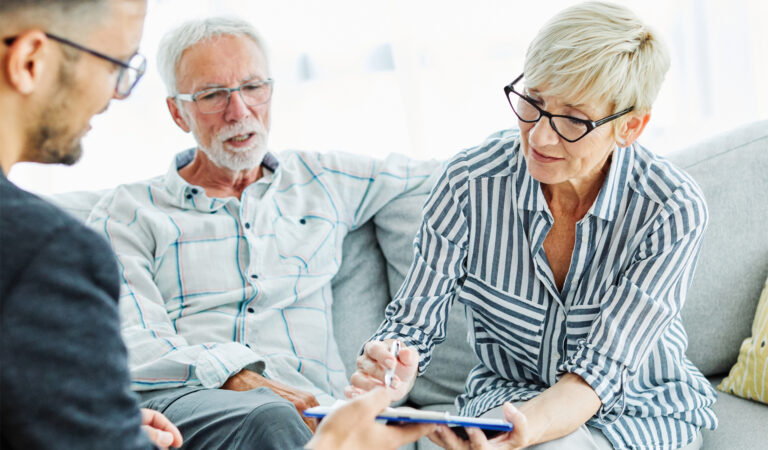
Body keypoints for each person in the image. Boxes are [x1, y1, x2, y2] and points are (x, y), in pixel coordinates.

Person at [350, 2, 718, 449]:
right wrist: (395, 364)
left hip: (639, 408)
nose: (540, 137)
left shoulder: (670, 208)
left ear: (631, 127)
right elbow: (412, 324)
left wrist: (522, 432)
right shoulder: (469, 184)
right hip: (509, 394)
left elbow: (597, 376)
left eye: (572, 120)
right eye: (534, 102)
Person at [85, 15, 439, 448]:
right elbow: (130, 337)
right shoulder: (127, 213)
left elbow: (447, 176)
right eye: (213, 94)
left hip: (321, 410)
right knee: (270, 416)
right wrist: (239, 377)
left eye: (253, 87)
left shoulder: (324, 178)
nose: (240, 111)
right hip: (194, 401)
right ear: (178, 112)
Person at [0, 0, 183, 448]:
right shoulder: (47, 253)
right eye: (116, 66)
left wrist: (84, 413)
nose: (117, 95)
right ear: (30, 61)